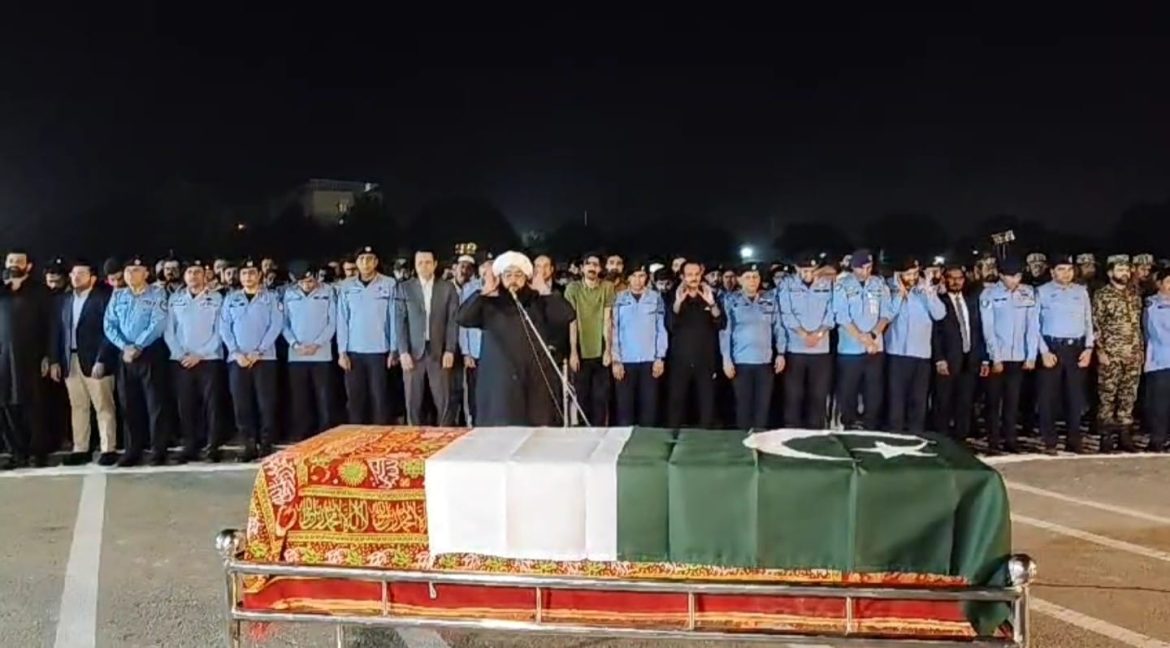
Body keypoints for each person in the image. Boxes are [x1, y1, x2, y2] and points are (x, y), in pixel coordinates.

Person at [455, 251, 576, 425]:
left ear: (527, 277)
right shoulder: (490, 302)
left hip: (533, 380)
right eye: (508, 275)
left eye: (518, 275)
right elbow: (463, 319)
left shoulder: (537, 300)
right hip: (500, 381)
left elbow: (567, 315)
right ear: (500, 278)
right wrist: (484, 292)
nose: (513, 279)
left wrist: (544, 291)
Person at [103, 256, 171, 466]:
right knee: (128, 404)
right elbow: (109, 324)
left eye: (136, 270)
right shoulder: (118, 295)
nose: (131, 275)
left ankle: (158, 449)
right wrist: (125, 347)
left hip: (150, 354)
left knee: (155, 404)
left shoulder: (157, 293)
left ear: (146, 273)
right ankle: (133, 449)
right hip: (125, 356)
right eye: (128, 271)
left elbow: (158, 323)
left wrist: (139, 346)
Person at [50, 259, 118, 466]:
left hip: (96, 360)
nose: (75, 277)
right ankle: (81, 448)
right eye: (73, 274)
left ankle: (108, 448)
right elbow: (58, 332)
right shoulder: (65, 300)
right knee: (78, 406)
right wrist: (55, 360)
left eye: (81, 273)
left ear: (93, 278)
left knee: (103, 406)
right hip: (70, 359)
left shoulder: (103, 298)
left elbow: (110, 331)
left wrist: (102, 359)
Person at [164, 260, 227, 462]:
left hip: (209, 359)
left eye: (197, 272)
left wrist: (200, 354)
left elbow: (220, 331)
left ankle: (213, 445)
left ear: (205, 275)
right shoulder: (175, 299)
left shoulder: (217, 298)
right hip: (182, 360)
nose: (193, 276)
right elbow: (169, 331)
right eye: (189, 272)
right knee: (186, 405)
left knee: (212, 405)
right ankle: (190, 444)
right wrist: (181, 354)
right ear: (184, 276)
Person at [220, 259, 282, 461]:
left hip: (264, 358)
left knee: (266, 403)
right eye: (245, 274)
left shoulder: (270, 298)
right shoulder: (231, 298)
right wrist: (236, 352)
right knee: (241, 404)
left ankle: (265, 443)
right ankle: (248, 443)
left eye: (252, 273)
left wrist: (259, 351)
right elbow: (224, 327)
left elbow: (276, 325)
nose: (248, 277)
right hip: (238, 360)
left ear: (259, 276)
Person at [0, 250, 56, 469]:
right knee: (6, 407)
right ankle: (17, 452)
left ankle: (37, 453)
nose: (14, 264)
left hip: (31, 357)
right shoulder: (2, 290)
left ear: (28, 266)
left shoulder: (40, 292)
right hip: (3, 359)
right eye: (11, 261)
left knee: (34, 407)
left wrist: (49, 356)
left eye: (19, 261)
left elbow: (51, 326)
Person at [979, 258, 1039, 453]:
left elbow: (1033, 325)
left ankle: (1010, 437)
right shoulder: (989, 294)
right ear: (1001, 275)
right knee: (994, 400)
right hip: (999, 355)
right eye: (1011, 276)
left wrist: (1031, 355)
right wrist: (995, 357)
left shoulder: (1028, 292)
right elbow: (988, 328)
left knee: (1013, 400)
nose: (1015, 280)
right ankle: (993, 439)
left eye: (1018, 276)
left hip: (1019, 355)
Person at [1036, 254, 1094, 454]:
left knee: (1075, 396)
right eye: (1061, 269)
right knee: (1048, 397)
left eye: (1069, 270)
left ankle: (1074, 438)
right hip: (1052, 347)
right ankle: (1049, 439)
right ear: (1052, 272)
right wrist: (1043, 351)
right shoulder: (1041, 292)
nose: (1066, 274)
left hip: (1076, 348)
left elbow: (1088, 321)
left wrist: (1088, 348)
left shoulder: (1081, 291)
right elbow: (1034, 324)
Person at [396, 249, 460, 426]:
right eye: (420, 263)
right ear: (415, 266)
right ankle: (412, 439)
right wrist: (403, 352)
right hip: (413, 353)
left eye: (427, 262)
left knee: (444, 400)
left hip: (439, 351)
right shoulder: (404, 288)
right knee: (412, 401)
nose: (424, 266)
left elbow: (452, 322)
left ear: (435, 264)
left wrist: (450, 349)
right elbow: (399, 322)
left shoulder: (447, 288)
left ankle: (445, 439)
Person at [336, 245, 399, 424]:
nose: (366, 263)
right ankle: (357, 439)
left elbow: (393, 317)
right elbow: (342, 320)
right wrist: (342, 352)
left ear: (376, 262)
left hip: (380, 350)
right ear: (356, 263)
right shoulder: (346, 286)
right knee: (356, 400)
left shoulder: (389, 284)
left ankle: (381, 439)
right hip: (354, 351)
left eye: (370, 259)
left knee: (380, 399)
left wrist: (393, 349)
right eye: (362, 259)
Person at [719, 263, 785, 430]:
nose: (752, 281)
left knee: (763, 408)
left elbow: (778, 327)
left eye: (755, 277)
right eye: (747, 277)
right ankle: (743, 444)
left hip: (764, 361)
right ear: (740, 280)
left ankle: (760, 443)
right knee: (743, 407)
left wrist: (781, 353)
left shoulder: (769, 299)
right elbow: (725, 332)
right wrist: (726, 359)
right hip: (741, 362)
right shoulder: (730, 300)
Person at [884, 258, 946, 433]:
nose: (911, 277)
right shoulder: (889, 287)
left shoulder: (924, 288)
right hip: (897, 352)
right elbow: (887, 315)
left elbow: (940, 314)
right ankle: (895, 434)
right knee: (897, 399)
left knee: (918, 400)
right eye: (907, 274)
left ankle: (916, 435)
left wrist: (929, 293)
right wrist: (899, 296)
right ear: (899, 274)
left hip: (921, 354)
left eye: (914, 273)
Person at [834, 249, 891, 431]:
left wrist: (873, 335)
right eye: (861, 268)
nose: (865, 272)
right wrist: (862, 338)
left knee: (874, 392)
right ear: (853, 267)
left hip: (875, 348)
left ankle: (871, 428)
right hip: (850, 349)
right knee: (848, 392)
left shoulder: (879, 284)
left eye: (869, 267)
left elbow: (886, 313)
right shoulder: (842, 285)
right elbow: (842, 316)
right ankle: (849, 427)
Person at [1092, 255, 1143, 453]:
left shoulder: (1134, 294)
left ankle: (1125, 436)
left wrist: (1140, 351)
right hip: (1111, 354)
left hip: (1133, 354)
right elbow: (1096, 325)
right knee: (1107, 396)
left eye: (1126, 270)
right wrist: (1100, 351)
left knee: (1128, 396)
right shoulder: (1102, 295)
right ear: (1110, 273)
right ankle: (1106, 438)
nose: (1125, 273)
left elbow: (1137, 326)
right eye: (1120, 270)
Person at [665, 261, 726, 428]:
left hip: (706, 359)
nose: (693, 278)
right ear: (682, 277)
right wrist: (678, 303)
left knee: (707, 402)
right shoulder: (672, 296)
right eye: (689, 275)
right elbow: (669, 326)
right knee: (676, 402)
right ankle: (673, 437)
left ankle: (706, 439)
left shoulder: (709, 295)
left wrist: (712, 303)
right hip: (680, 360)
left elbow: (721, 324)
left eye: (697, 274)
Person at [932, 264, 988, 441]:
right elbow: (935, 334)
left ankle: (961, 439)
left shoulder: (971, 300)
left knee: (965, 402)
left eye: (959, 278)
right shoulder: (939, 301)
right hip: (948, 359)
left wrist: (984, 359)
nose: (956, 282)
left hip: (970, 359)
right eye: (952, 278)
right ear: (945, 279)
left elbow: (979, 330)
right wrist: (939, 358)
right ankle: (941, 439)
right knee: (943, 402)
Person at [779, 253, 835, 429]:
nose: (808, 274)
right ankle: (791, 431)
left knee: (818, 395)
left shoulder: (827, 285)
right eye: (804, 270)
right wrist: (804, 335)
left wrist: (818, 334)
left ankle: (816, 432)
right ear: (797, 269)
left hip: (820, 349)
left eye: (812, 270)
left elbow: (832, 312)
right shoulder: (787, 285)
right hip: (795, 348)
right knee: (794, 395)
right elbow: (786, 313)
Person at [282, 266, 337, 441]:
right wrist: (294, 344)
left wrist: (317, 344)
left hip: (321, 354)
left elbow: (333, 322)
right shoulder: (289, 294)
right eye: (303, 282)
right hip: (297, 354)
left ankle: (326, 433)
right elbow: (284, 324)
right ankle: (302, 434)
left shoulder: (328, 292)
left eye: (310, 281)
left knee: (324, 397)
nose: (307, 285)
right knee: (300, 398)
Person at [611, 263, 668, 426]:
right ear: (628, 278)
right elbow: (614, 329)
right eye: (634, 276)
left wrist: (660, 357)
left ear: (647, 277)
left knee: (649, 408)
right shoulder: (618, 298)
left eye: (641, 276)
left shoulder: (655, 298)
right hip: (625, 360)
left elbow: (661, 328)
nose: (637, 280)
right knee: (625, 409)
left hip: (649, 360)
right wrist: (616, 359)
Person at [564, 253, 615, 426]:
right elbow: (572, 320)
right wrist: (573, 352)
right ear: (582, 268)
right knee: (582, 395)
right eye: (588, 264)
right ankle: (584, 431)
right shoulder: (573, 288)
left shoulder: (607, 287)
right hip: (580, 348)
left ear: (601, 268)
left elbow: (607, 320)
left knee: (601, 396)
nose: (592, 268)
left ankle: (600, 431)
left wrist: (608, 349)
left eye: (596, 264)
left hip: (600, 349)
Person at [1143, 267, 1170, 452]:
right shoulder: (1151, 304)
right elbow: (1152, 332)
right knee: (1159, 405)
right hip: (1160, 359)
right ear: (1159, 283)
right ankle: (1157, 440)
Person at [458, 258, 487, 425]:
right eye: (483, 272)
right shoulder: (469, 289)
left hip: (493, 351)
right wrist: (466, 352)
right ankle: (475, 422)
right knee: (474, 391)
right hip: (474, 352)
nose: (486, 275)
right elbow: (462, 324)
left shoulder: (500, 288)